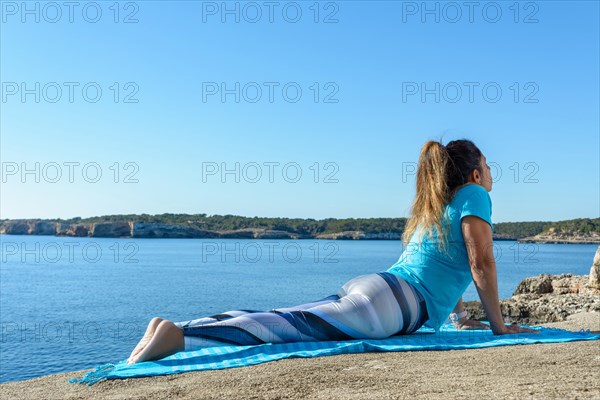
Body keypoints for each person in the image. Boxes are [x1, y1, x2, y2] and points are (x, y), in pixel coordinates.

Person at [126, 138, 539, 365]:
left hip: (383, 288)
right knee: (285, 328)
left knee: (290, 320)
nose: (491, 173)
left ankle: (175, 328)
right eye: (488, 165)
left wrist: (460, 316)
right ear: (473, 173)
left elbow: (442, 264)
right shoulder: (474, 194)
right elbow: (479, 259)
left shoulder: (438, 204)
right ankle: (180, 334)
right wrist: (499, 328)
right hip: (394, 303)